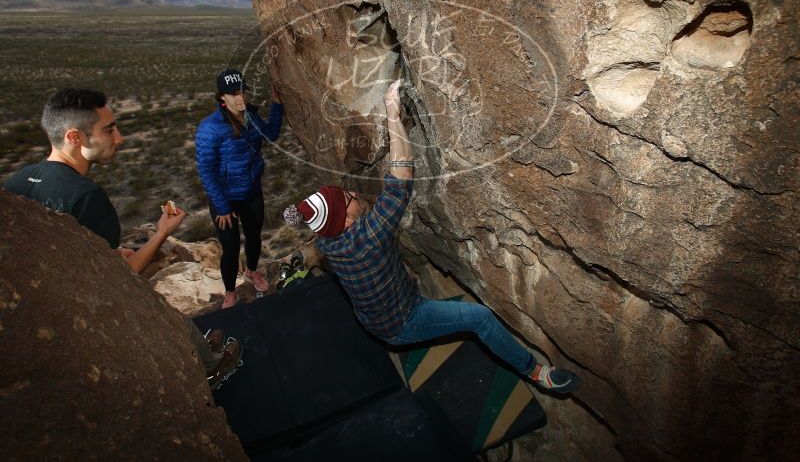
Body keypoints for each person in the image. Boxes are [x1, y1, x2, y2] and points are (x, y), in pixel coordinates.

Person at [284, 80, 580, 394]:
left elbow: (318, 242)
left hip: (375, 317)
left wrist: (302, 254)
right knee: (478, 318)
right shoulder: (367, 239)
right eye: (349, 197)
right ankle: (536, 373)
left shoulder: (330, 241)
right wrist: (393, 116)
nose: (355, 193)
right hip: (402, 322)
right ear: (344, 222)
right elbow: (401, 178)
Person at [3, 88, 242, 388]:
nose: (120, 139)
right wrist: (162, 233)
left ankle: (200, 349)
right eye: (109, 130)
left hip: (37, 306)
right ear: (75, 137)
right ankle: (210, 366)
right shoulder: (87, 198)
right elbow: (123, 278)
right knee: (154, 306)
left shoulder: (17, 180)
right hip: (81, 315)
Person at [195, 68, 284, 309]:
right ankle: (230, 292)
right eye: (233, 93)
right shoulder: (210, 128)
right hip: (225, 200)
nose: (240, 97)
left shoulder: (252, 117)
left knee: (254, 237)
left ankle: (252, 272)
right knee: (231, 247)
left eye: (242, 91)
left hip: (252, 192)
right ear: (221, 97)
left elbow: (272, 134)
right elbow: (206, 171)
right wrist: (222, 207)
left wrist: (277, 104)